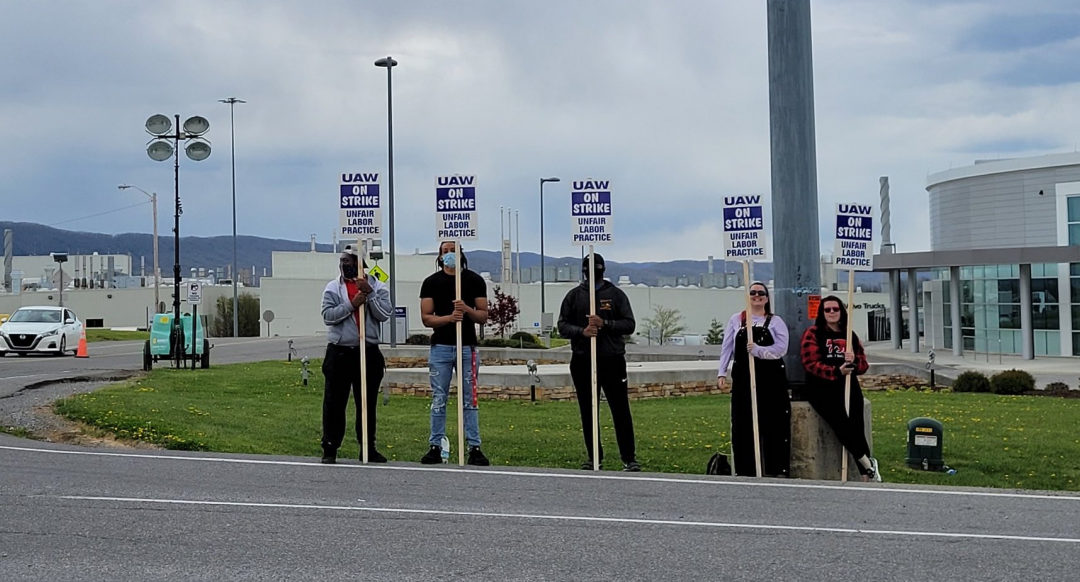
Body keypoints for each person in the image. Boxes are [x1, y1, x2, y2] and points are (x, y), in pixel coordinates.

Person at [557, 254, 640, 472]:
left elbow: (629, 324)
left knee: (620, 409)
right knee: (588, 410)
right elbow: (562, 326)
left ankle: (629, 458)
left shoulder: (616, 295)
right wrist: (582, 332)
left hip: (612, 359)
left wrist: (606, 323)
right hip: (583, 359)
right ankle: (594, 457)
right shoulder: (574, 296)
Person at [418, 241, 490, 466]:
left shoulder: (474, 280)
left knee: (470, 398)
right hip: (441, 347)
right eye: (445, 251)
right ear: (439, 256)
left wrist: (466, 309)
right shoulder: (431, 283)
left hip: (467, 347)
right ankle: (435, 446)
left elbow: (483, 315)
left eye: (453, 250)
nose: (449, 254)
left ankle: (474, 447)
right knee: (439, 398)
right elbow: (427, 318)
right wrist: (450, 318)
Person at [320, 244, 393, 464]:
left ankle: (368, 448)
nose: (345, 265)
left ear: (361, 265)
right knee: (334, 402)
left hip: (368, 351)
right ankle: (330, 448)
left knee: (367, 402)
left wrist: (368, 296)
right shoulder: (333, 288)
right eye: (343, 261)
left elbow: (384, 315)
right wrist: (352, 304)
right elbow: (328, 316)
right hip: (340, 352)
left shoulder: (379, 286)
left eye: (350, 261)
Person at [799, 295, 881, 482]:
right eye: (827, 310)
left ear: (841, 311)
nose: (831, 313)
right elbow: (810, 363)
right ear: (822, 313)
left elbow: (864, 365)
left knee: (857, 428)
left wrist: (854, 362)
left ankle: (866, 476)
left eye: (835, 309)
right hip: (821, 388)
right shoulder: (813, 333)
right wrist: (837, 371)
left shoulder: (849, 335)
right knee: (841, 426)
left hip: (849, 386)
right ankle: (868, 465)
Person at [716, 281, 791, 477]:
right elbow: (727, 348)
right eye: (752, 293)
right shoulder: (737, 319)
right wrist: (722, 372)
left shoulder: (776, 322)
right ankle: (745, 469)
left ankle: (776, 469)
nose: (756, 296)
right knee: (743, 424)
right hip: (743, 378)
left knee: (773, 423)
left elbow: (781, 349)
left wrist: (759, 351)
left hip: (770, 379)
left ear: (767, 298)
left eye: (761, 293)